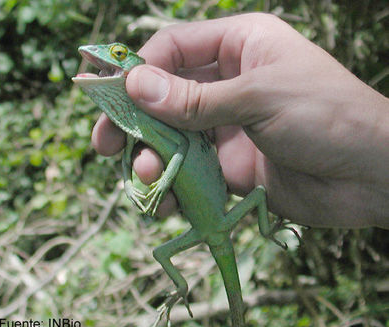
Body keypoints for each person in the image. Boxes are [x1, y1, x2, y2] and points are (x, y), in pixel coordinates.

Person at [90, 13, 389, 228]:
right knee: (143, 165)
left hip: (223, 184)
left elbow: (180, 142)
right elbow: (128, 161)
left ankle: (266, 230)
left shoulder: (157, 101)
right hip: (237, 190)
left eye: (118, 53)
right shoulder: (134, 122)